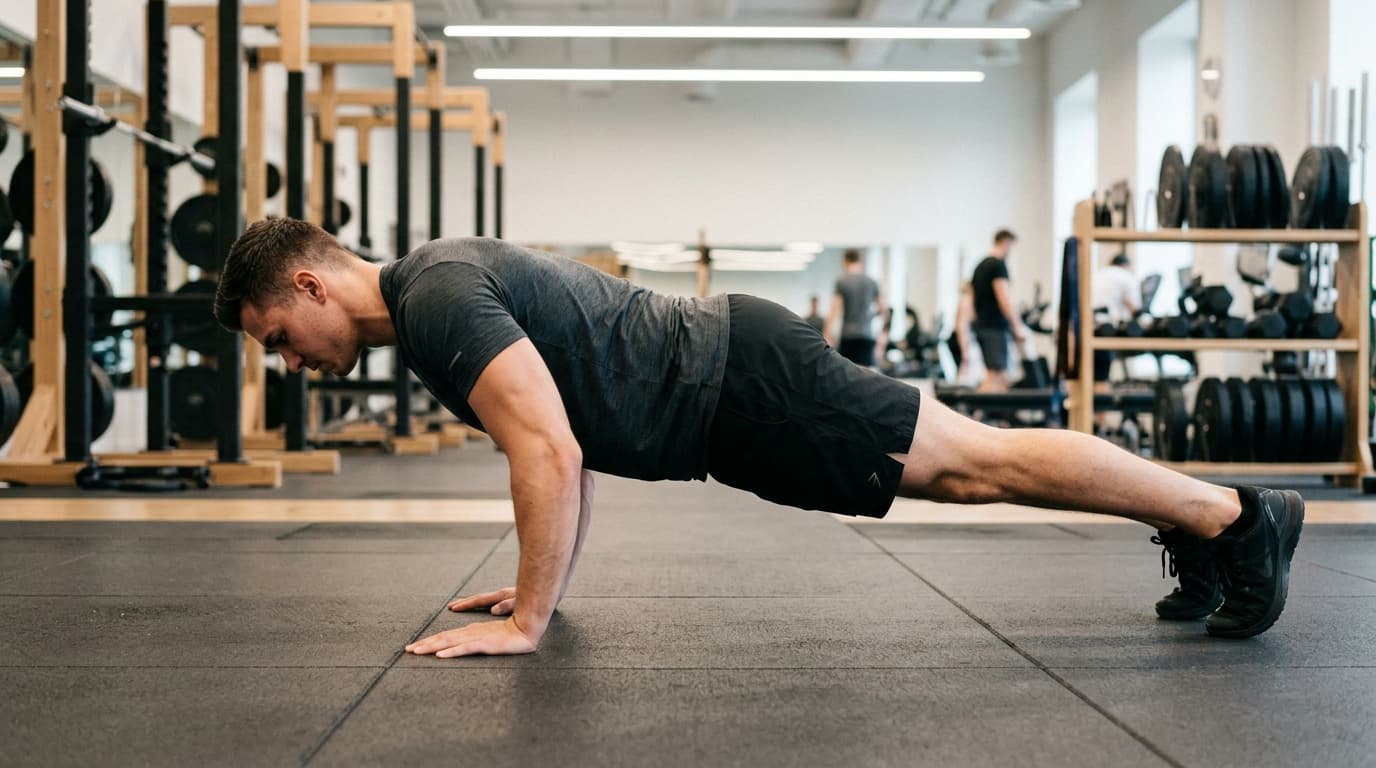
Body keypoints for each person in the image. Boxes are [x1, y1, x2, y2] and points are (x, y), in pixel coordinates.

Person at [213, 219, 1305, 658]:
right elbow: (557, 436)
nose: (287, 357)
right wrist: (528, 589)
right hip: (734, 387)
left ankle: (1232, 517)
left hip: (743, 385)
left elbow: (549, 451)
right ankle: (1209, 522)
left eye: (277, 334)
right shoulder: (426, 300)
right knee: (971, 467)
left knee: (974, 465)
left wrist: (531, 620)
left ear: (309, 282)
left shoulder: (437, 298)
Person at [970, 230, 1028, 393]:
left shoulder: (979, 266)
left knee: (1001, 375)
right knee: (994, 375)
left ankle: (1001, 417)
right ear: (1006, 242)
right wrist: (1017, 326)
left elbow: (973, 304)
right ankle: (976, 416)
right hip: (994, 327)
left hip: (983, 326)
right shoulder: (998, 265)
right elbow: (1004, 299)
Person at [825, 249, 887, 367]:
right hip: (866, 336)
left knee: (848, 377)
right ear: (860, 261)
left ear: (845, 261)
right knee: (864, 376)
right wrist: (883, 337)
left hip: (848, 336)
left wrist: (827, 334)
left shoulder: (842, 281)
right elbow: (885, 312)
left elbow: (835, 310)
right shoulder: (871, 282)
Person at [1090, 251, 1142, 384]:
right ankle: (1101, 395)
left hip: (1088, 326)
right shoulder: (1126, 276)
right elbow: (1134, 308)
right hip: (1105, 328)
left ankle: (1096, 392)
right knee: (1101, 375)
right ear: (1126, 265)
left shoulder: (1097, 274)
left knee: (1093, 373)